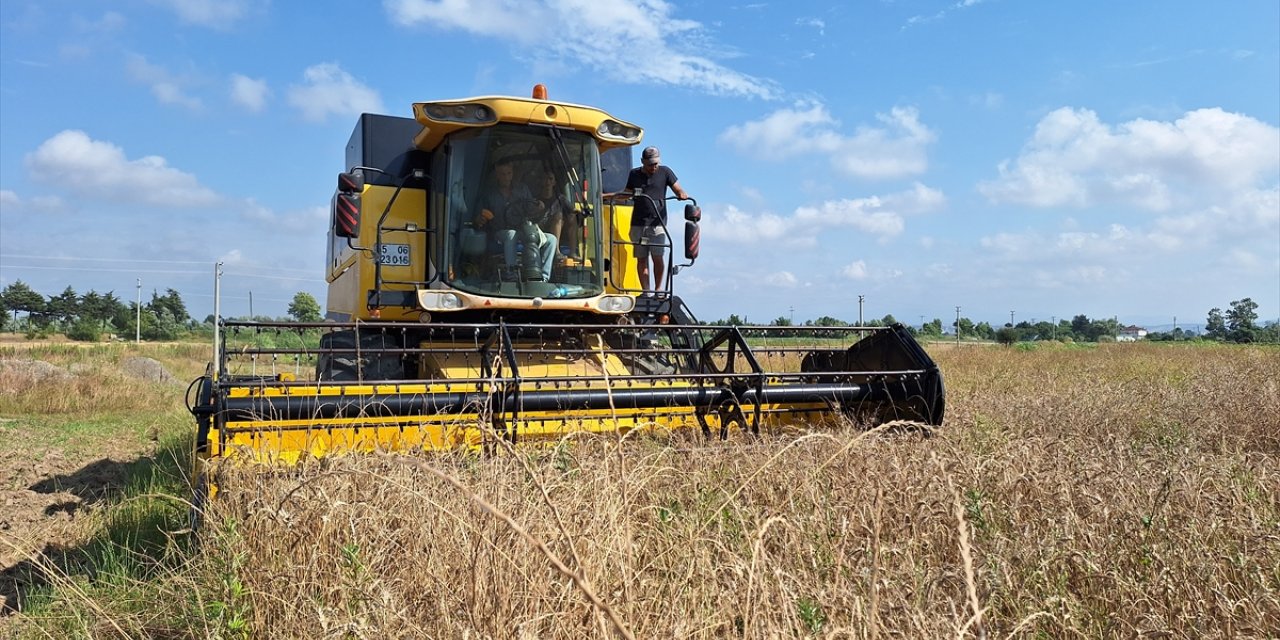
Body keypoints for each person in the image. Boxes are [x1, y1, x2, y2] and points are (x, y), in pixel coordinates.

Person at [475, 158, 558, 281]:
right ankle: (511, 273)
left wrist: (539, 207)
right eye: (503, 174)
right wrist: (480, 219)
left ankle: (543, 278)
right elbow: (478, 217)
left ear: (512, 173)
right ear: (497, 175)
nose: (506, 177)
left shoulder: (522, 189)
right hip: (499, 233)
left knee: (551, 239)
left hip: (523, 231)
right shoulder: (489, 194)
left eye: (509, 173)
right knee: (511, 234)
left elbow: (531, 209)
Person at [625, 146, 690, 292]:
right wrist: (605, 197)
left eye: (656, 163)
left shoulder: (665, 171)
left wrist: (681, 193)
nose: (654, 167)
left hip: (657, 224)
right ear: (642, 162)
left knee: (657, 257)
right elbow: (626, 193)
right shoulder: (634, 174)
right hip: (638, 224)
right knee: (641, 259)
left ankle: (658, 290)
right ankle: (646, 291)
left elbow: (678, 188)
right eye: (650, 164)